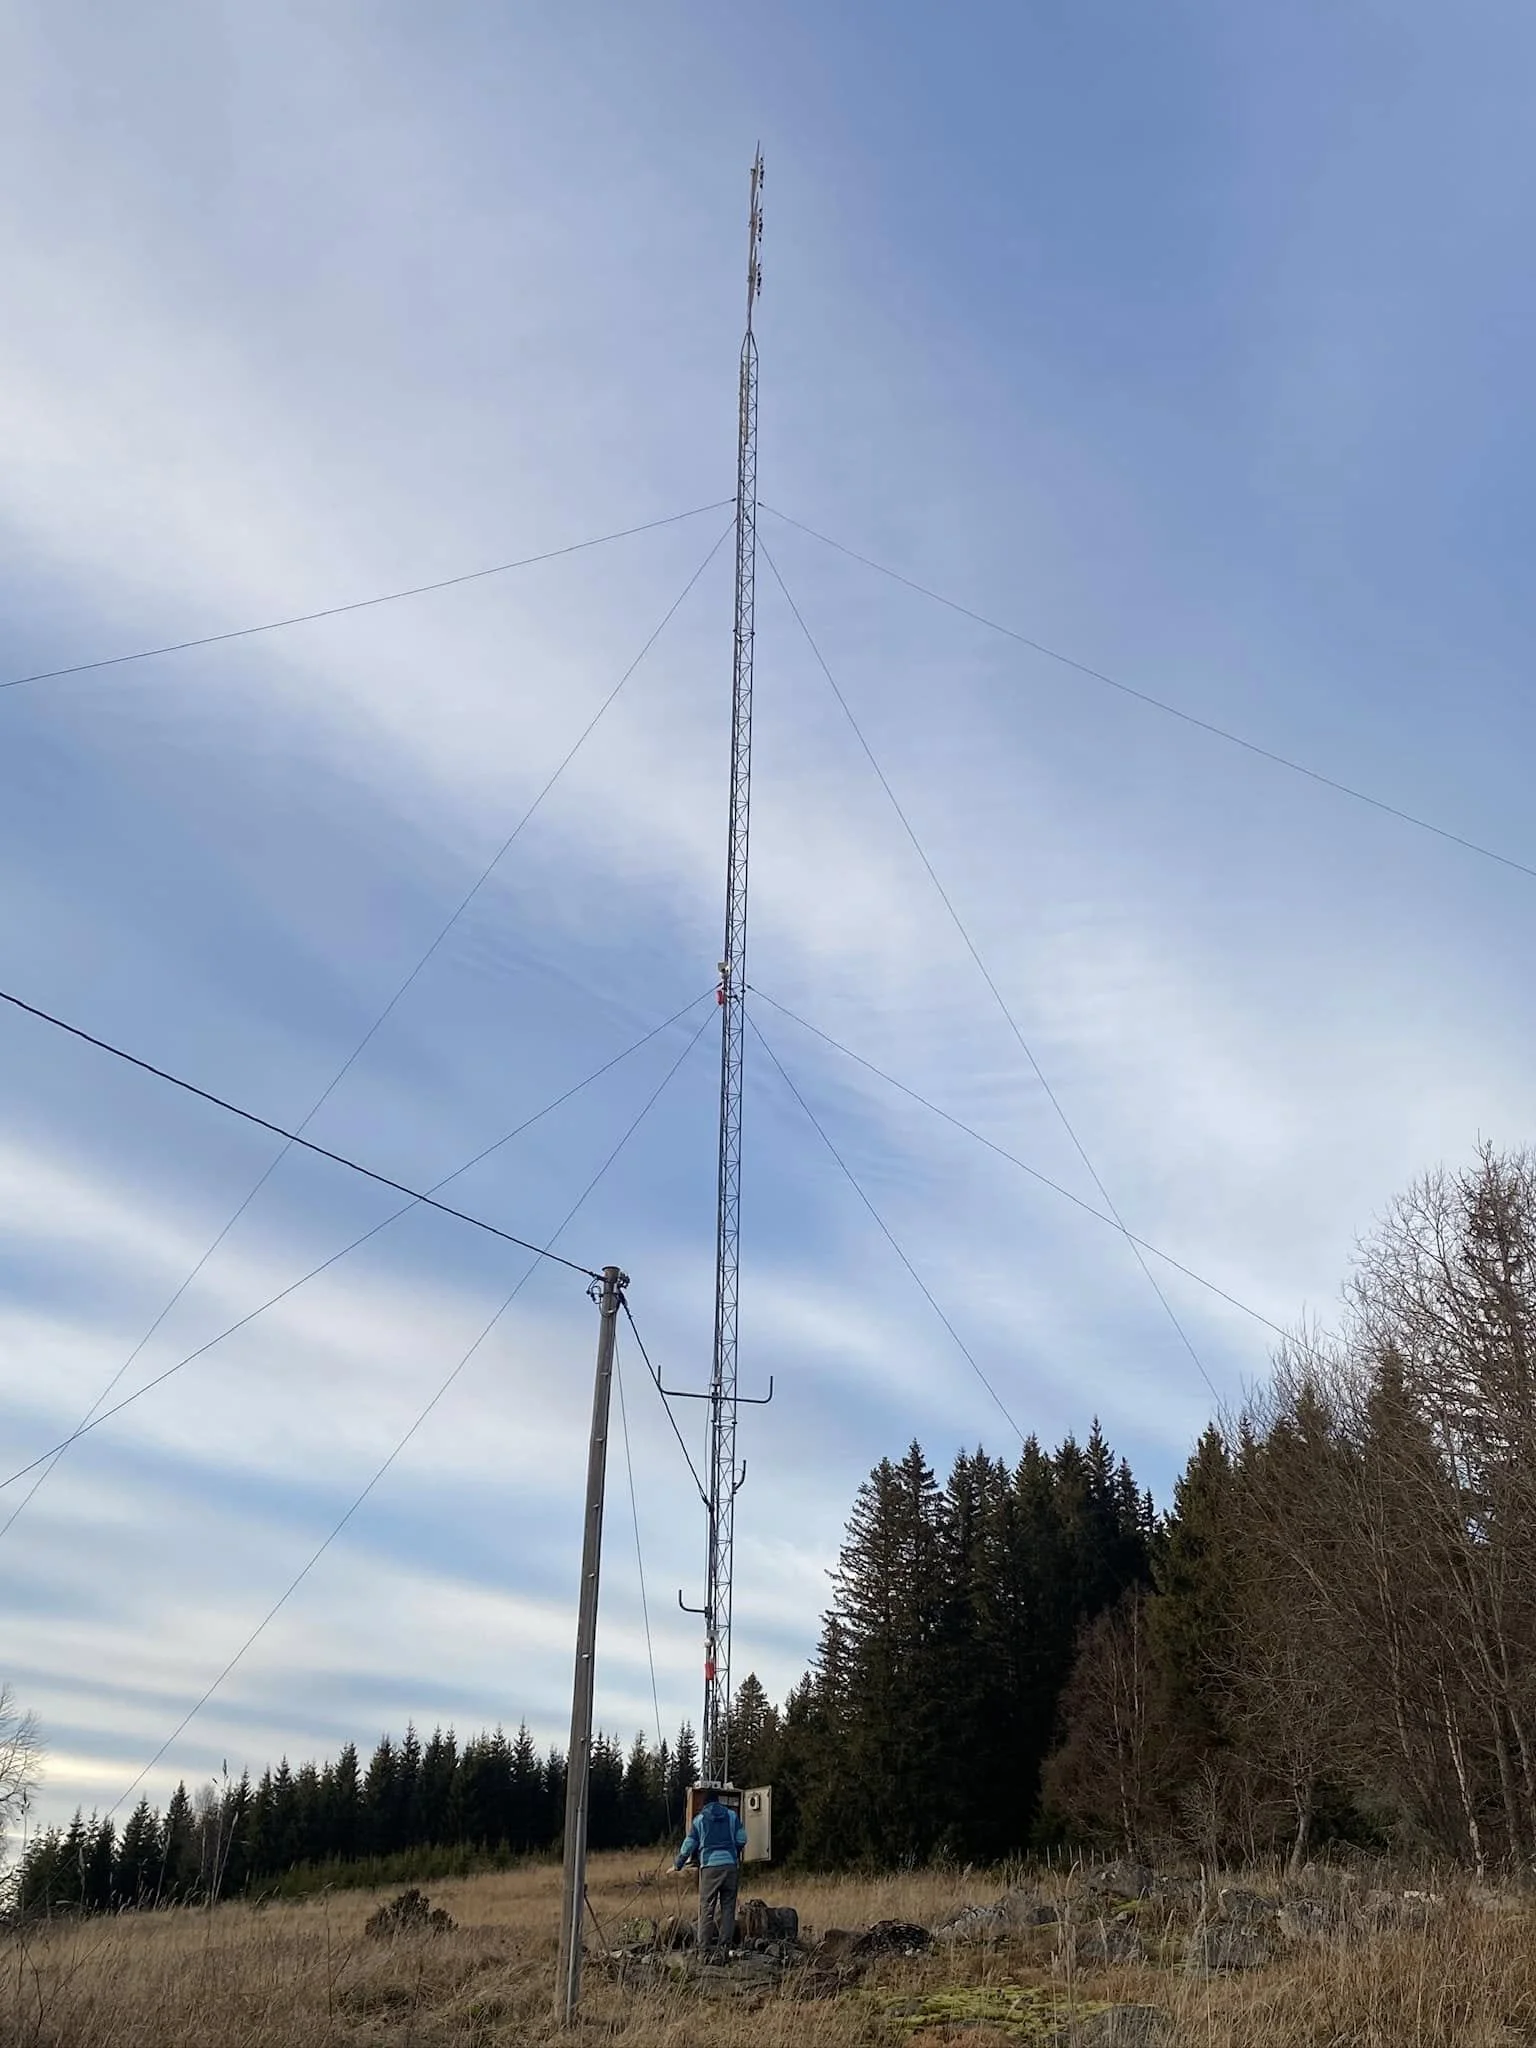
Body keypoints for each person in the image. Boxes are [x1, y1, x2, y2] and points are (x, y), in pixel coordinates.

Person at [673, 1786, 748, 1956]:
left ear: (705, 1804)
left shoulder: (699, 1820)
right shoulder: (731, 1816)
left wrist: (678, 1864)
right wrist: (734, 1851)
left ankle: (704, 1949)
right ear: (718, 1802)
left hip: (709, 1867)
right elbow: (742, 1838)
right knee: (728, 1908)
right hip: (730, 1866)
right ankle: (724, 1948)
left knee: (707, 1907)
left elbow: (689, 1844)